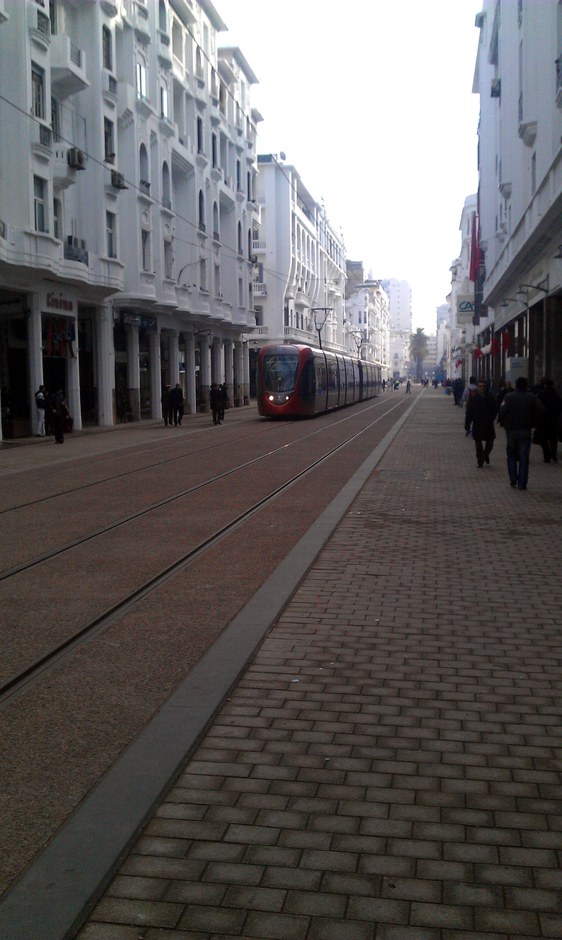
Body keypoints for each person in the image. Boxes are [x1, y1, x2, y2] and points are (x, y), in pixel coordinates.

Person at [499, 376, 545, 490]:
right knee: (524, 458)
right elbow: (542, 410)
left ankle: (513, 478)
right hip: (525, 430)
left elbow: (502, 410)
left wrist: (506, 424)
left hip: (511, 432)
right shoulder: (532, 397)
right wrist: (533, 421)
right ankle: (522, 483)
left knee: (511, 456)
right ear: (526, 385)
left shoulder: (509, 397)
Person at [465, 379, 498, 467]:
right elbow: (469, 412)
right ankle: (480, 460)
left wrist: (492, 418)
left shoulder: (490, 397)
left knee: (490, 443)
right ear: (477, 387)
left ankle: (486, 454)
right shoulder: (473, 399)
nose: (482, 388)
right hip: (478, 423)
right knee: (478, 444)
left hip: (488, 423)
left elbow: (495, 409)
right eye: (480, 386)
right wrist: (467, 424)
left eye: (483, 386)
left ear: (485, 387)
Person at [535, 378, 561, 463]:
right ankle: (554, 455)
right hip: (554, 420)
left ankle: (547, 456)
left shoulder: (541, 394)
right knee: (553, 439)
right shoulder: (556, 395)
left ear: (545, 385)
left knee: (544, 440)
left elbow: (537, 407)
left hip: (543, 420)